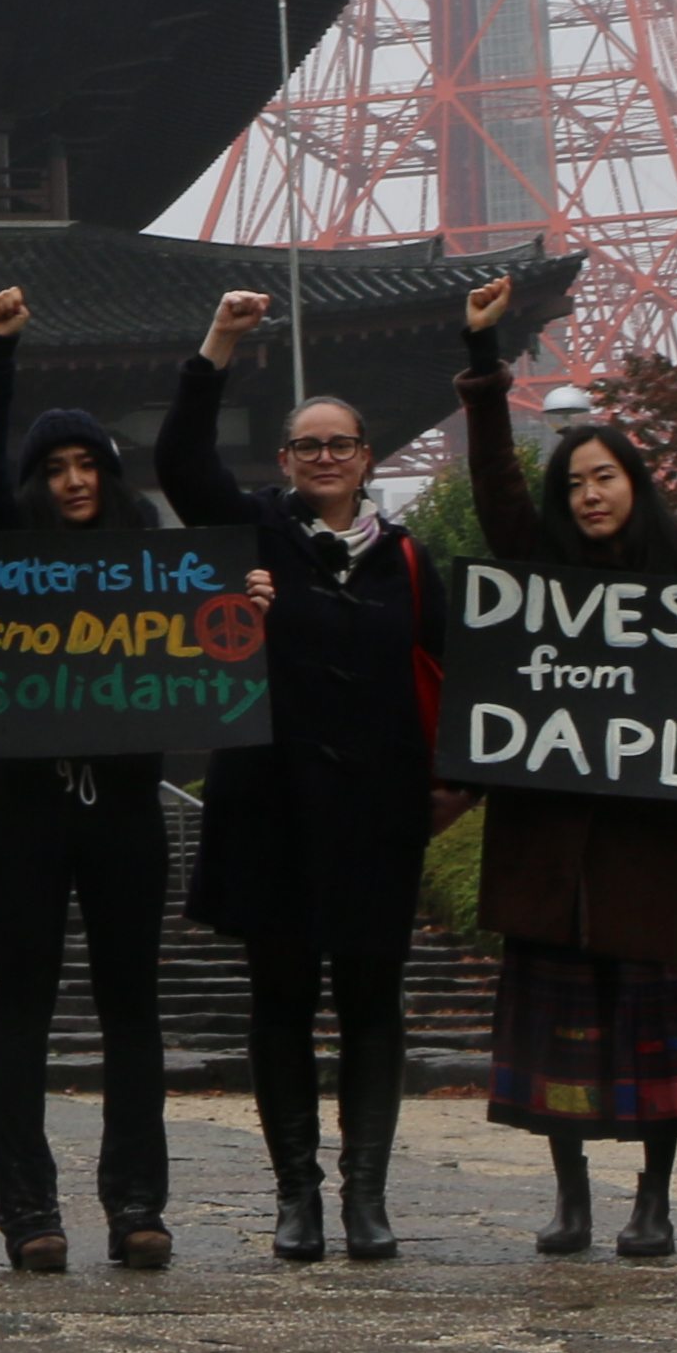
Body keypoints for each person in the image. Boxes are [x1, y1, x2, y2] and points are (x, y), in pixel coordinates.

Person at [450, 275, 677, 1262]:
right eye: (575, 483)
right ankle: (571, 1199)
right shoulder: (537, 577)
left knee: (651, 1034)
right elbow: (497, 491)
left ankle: (653, 1200)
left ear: (634, 485)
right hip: (546, 853)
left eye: (604, 477)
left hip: (640, 853)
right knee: (553, 1038)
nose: (588, 495)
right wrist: (483, 364)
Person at [158, 288, 457, 1264]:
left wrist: (454, 791)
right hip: (271, 810)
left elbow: (459, 684)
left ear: (368, 458)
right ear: (284, 460)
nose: (325, 457)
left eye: (342, 444)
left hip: (377, 815)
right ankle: (297, 1193)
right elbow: (178, 463)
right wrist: (222, 343)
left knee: (374, 1004)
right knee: (279, 1002)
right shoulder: (252, 535)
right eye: (307, 445)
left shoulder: (413, 565)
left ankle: (366, 1193)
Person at [0, 285, 173, 1276]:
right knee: (22, 1007)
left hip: (126, 808)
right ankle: (27, 1210)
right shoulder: (11, 549)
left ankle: (135, 1203)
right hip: (27, 810)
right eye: (56, 467)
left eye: (88, 464)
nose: (75, 481)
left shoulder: (155, 562)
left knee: (132, 1006)